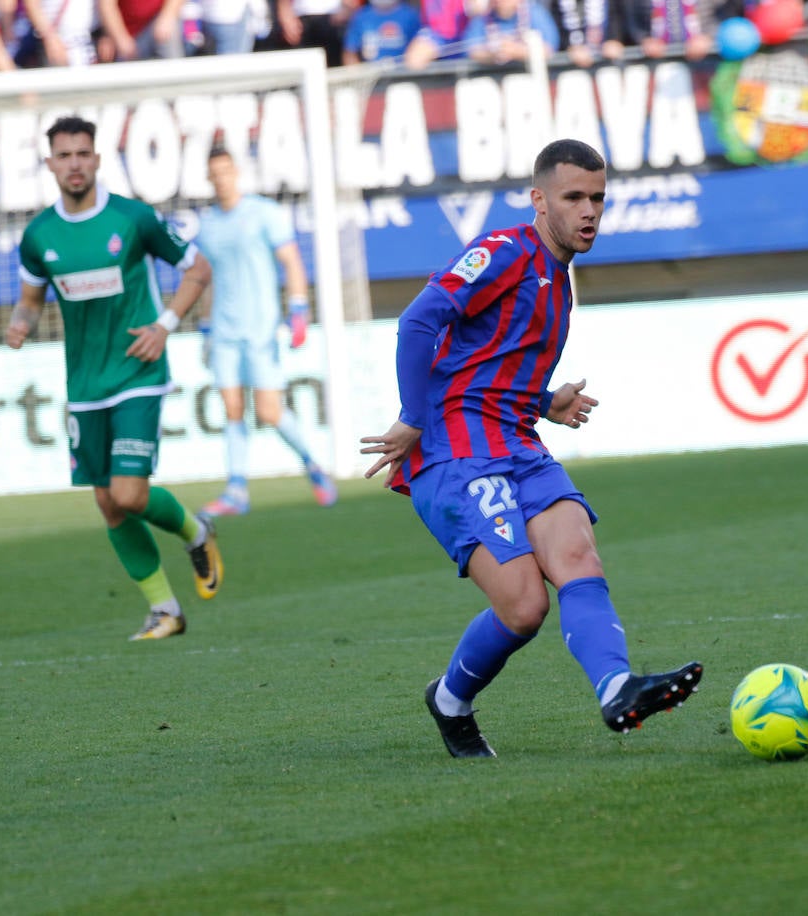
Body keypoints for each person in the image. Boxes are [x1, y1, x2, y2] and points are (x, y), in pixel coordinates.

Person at [360, 139, 704, 758]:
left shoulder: (559, 279)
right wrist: (414, 418)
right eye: (574, 197)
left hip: (517, 442)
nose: (590, 210)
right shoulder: (504, 252)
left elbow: (487, 360)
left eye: (598, 197)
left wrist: (545, 401)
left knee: (578, 553)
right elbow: (418, 320)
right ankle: (449, 700)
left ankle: (617, 688)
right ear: (539, 200)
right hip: (455, 453)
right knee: (523, 607)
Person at [5, 116, 223, 642]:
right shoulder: (39, 236)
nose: (75, 163)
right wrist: (21, 323)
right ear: (51, 163)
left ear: (97, 159)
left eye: (83, 153)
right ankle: (165, 611)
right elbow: (31, 300)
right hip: (84, 383)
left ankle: (196, 530)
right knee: (105, 501)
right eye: (65, 155)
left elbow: (199, 269)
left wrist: (165, 325)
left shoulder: (132, 219)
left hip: (137, 372)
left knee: (127, 493)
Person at [193, 145, 339, 517]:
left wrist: (299, 310)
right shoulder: (208, 225)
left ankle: (312, 464)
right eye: (215, 172)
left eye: (227, 170)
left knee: (270, 411)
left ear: (236, 172)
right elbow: (207, 280)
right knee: (231, 408)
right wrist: (206, 329)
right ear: (209, 178)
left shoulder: (264, 213)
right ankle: (236, 489)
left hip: (259, 330)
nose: (222, 178)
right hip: (224, 333)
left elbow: (290, 261)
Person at [465, 0, 559, 64]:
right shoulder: (481, 19)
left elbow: (549, 48)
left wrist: (517, 51)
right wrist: (493, 54)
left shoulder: (535, 13)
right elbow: (470, 50)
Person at [341, 0, 419, 64]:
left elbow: (419, 47)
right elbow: (350, 51)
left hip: (402, 74)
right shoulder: (361, 16)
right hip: (371, 76)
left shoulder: (410, 15)